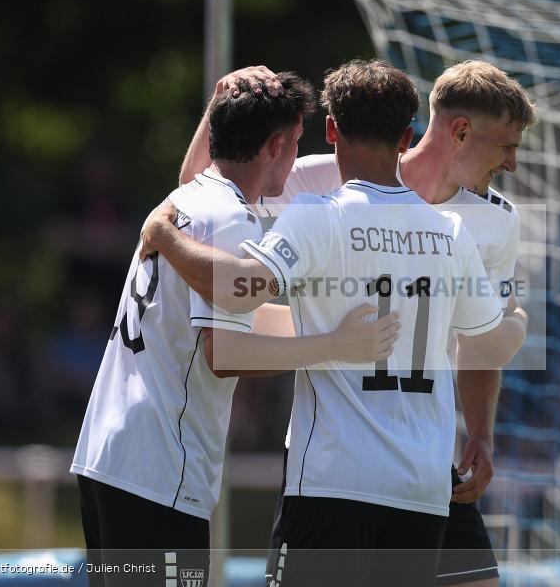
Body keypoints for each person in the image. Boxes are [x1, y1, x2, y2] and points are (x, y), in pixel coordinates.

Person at [141, 59, 528, 586]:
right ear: (412, 133)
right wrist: (520, 323)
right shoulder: (451, 231)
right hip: (413, 473)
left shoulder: (322, 209)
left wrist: (481, 433)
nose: (511, 163)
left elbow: (228, 267)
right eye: (507, 144)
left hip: (353, 470)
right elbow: (494, 338)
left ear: (333, 130)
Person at [70, 72, 402, 587]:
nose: (296, 159)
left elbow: (229, 309)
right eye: (294, 144)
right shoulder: (231, 219)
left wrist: (219, 100)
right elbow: (223, 353)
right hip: (160, 467)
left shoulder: (193, 197)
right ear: (275, 145)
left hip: (109, 456)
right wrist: (333, 345)